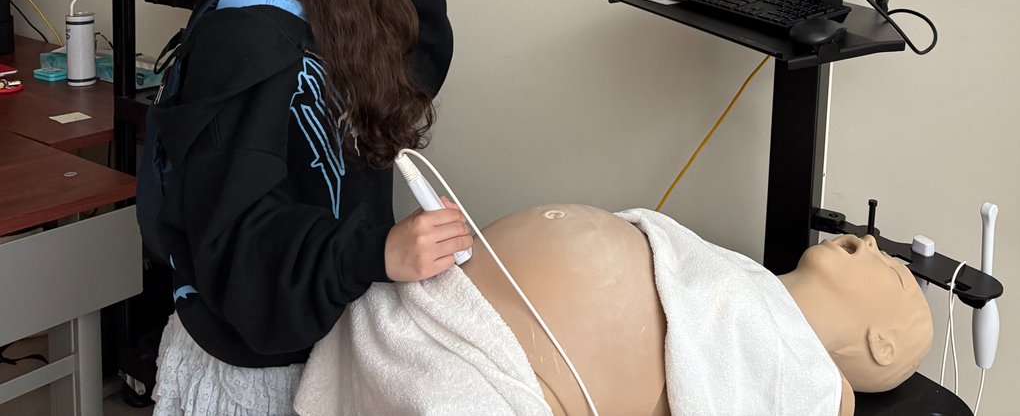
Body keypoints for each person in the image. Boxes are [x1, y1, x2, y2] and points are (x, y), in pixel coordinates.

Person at [149, 0, 463, 416]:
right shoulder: (250, 41)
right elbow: (238, 244)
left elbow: (396, 95)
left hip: (323, 327)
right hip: (258, 366)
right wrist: (377, 253)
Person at [298, 205, 931, 416]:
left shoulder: (804, 376)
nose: (876, 245)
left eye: (896, 276)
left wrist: (836, 394)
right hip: (441, 306)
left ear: (881, 345)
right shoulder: (752, 277)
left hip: (489, 380)